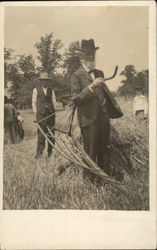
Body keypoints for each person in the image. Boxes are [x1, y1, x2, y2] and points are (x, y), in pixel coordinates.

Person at [71, 39, 123, 175]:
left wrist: (108, 107)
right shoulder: (76, 75)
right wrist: (92, 86)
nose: (91, 56)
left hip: (103, 118)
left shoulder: (100, 73)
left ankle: (106, 179)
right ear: (82, 57)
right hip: (88, 120)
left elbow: (105, 93)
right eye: (88, 53)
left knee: (105, 150)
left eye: (93, 53)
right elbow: (76, 99)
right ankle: (90, 182)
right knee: (90, 151)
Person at [32, 72, 56, 159]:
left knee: (51, 133)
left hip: (50, 114)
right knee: (41, 134)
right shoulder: (36, 90)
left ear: (48, 81)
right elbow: (34, 103)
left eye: (46, 81)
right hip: (41, 115)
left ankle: (50, 153)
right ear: (40, 81)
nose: (44, 82)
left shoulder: (51, 90)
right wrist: (36, 113)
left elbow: (54, 101)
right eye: (43, 81)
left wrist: (53, 112)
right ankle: (39, 154)